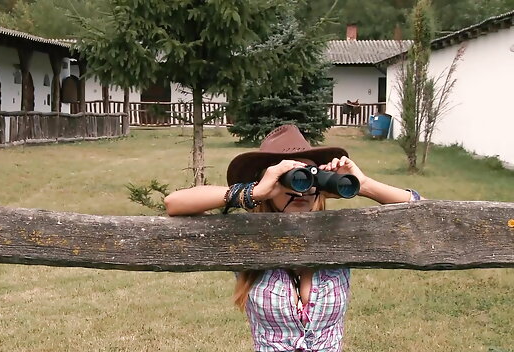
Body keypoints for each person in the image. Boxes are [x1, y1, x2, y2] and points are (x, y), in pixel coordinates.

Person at [164, 124, 422, 352]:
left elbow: (422, 215)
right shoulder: (246, 236)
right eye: (292, 177)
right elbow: (174, 203)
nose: (301, 188)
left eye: (310, 176)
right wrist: (256, 192)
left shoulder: (341, 232)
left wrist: (363, 184)